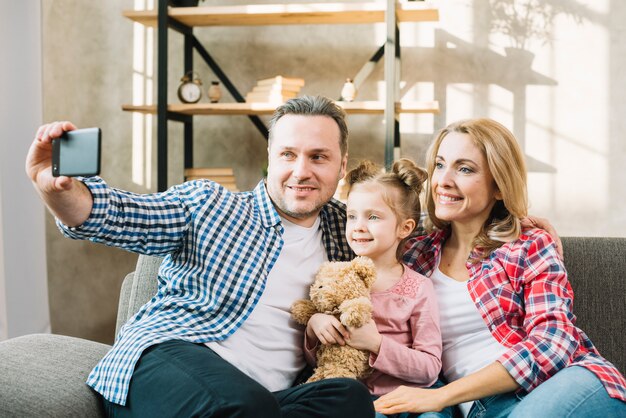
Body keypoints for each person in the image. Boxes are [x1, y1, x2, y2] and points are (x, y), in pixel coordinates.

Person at [26, 95, 376, 417]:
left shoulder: (348, 230)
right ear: (269, 156)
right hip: (170, 359)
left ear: (342, 166)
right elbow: (116, 215)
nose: (301, 171)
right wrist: (59, 191)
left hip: (267, 400)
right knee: (243, 403)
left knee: (349, 399)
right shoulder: (210, 205)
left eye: (318, 157)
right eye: (288, 154)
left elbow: (410, 239)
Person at [373, 118, 626, 417]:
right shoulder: (415, 255)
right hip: (479, 410)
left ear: (499, 187)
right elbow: (364, 219)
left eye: (465, 169)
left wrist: (442, 397)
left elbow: (553, 342)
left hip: (561, 386)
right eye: (440, 165)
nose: (443, 180)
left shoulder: (528, 245)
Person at [304, 159, 453, 418]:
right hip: (360, 402)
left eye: (373, 217)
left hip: (413, 399)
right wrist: (313, 327)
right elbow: (323, 364)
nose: (359, 226)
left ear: (404, 228)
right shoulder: (337, 278)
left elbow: (430, 367)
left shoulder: (418, 288)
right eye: (352, 216)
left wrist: (376, 344)